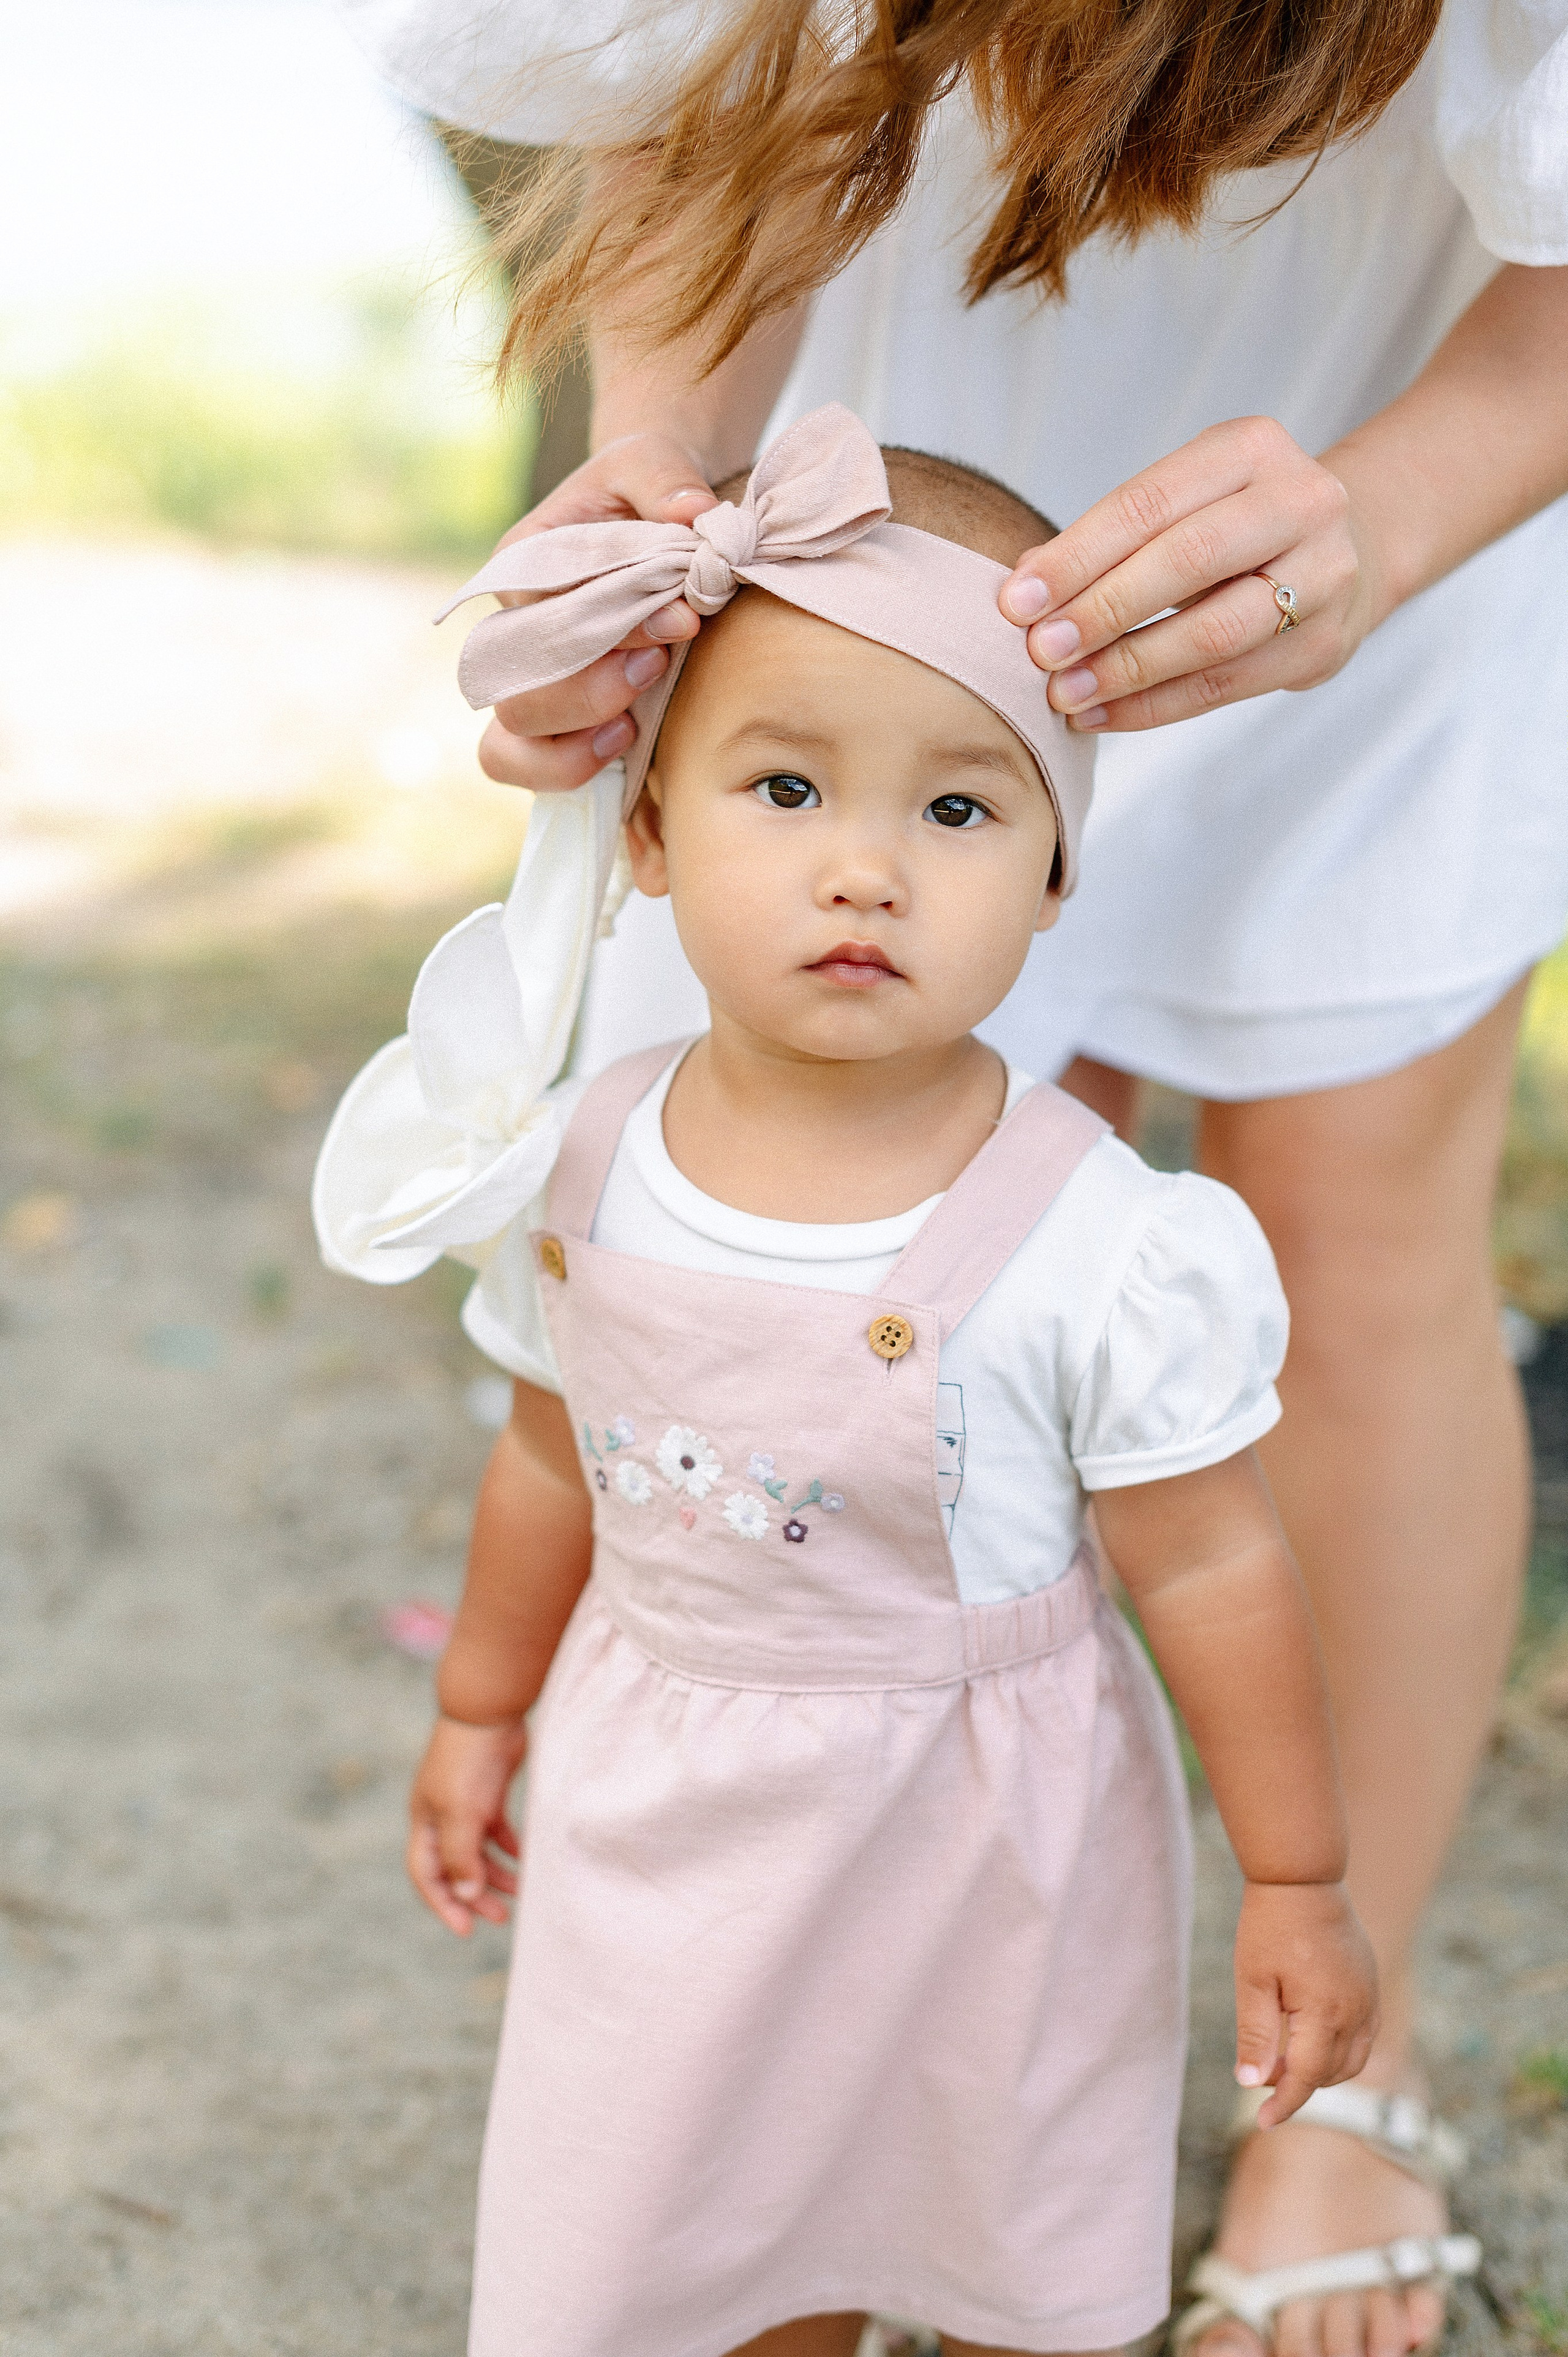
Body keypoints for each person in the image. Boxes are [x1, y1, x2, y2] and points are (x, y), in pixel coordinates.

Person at [336, 6, 1568, 2350]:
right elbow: (703, 94)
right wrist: (663, 450)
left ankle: (1337, 2072)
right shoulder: (613, 1154)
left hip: (1423, 388)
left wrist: (1387, 516)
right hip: (892, 429)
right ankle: (804, 2044)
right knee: (837, 1146)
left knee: (1357, 1214)